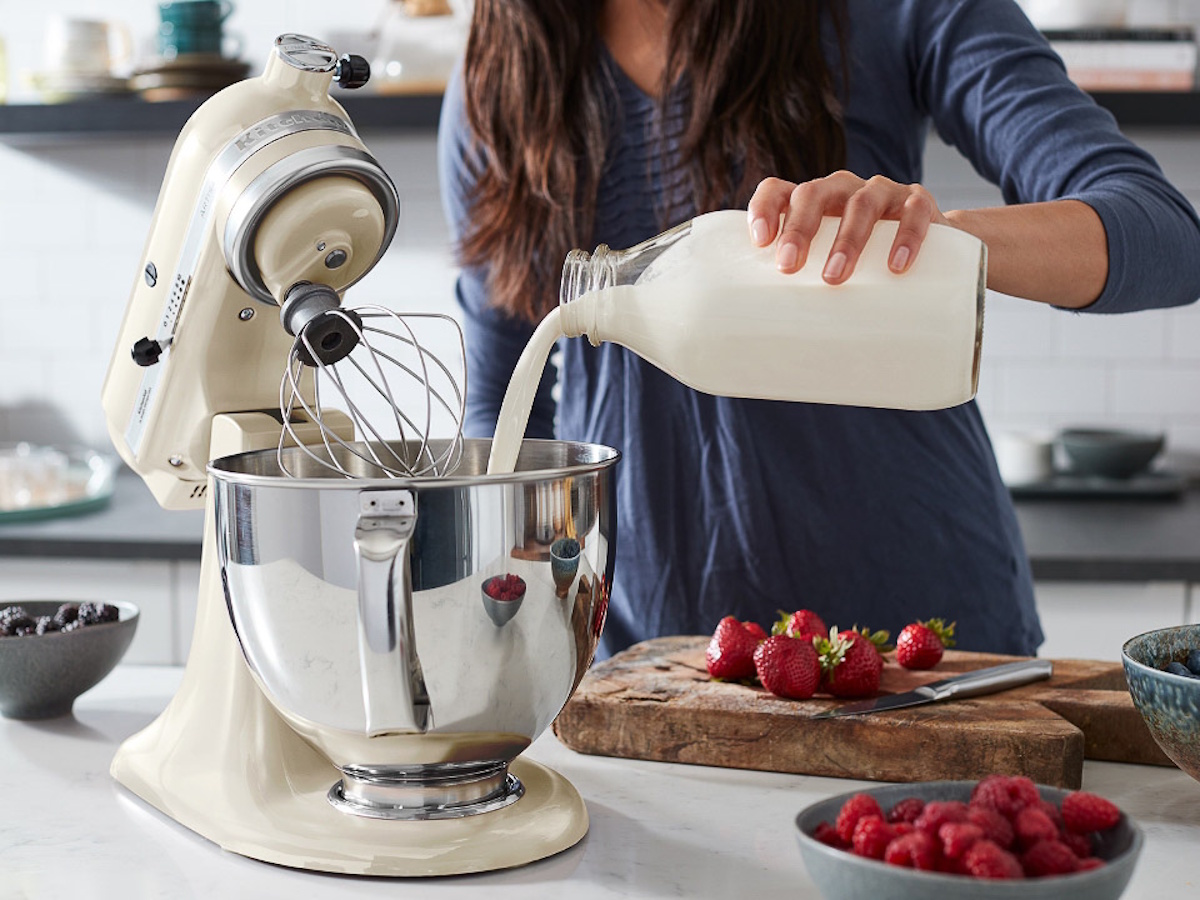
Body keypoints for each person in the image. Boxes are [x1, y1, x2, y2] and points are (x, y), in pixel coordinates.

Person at [438, 0, 1200, 659]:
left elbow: (1166, 237)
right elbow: (504, 403)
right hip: (648, 652)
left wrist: (930, 238)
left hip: (921, 638)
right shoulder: (505, 65)